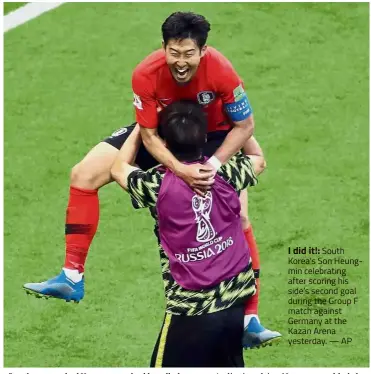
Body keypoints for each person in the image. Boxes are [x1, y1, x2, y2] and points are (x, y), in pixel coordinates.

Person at [23, 11, 281, 348]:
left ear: (203, 50)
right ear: (164, 47)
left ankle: (250, 320)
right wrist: (180, 169)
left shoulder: (222, 71)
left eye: (189, 53)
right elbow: (146, 132)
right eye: (174, 53)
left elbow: (245, 126)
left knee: (241, 216)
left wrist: (214, 165)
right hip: (160, 135)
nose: (181, 62)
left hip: (214, 137)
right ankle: (72, 276)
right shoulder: (146, 74)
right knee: (83, 174)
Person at [111, 100, 265, 367]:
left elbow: (118, 168)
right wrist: (237, 124)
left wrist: (143, 127)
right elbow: (258, 159)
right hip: (235, 302)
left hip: (190, 311)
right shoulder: (227, 174)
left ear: (164, 145)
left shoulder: (156, 186)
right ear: (205, 138)